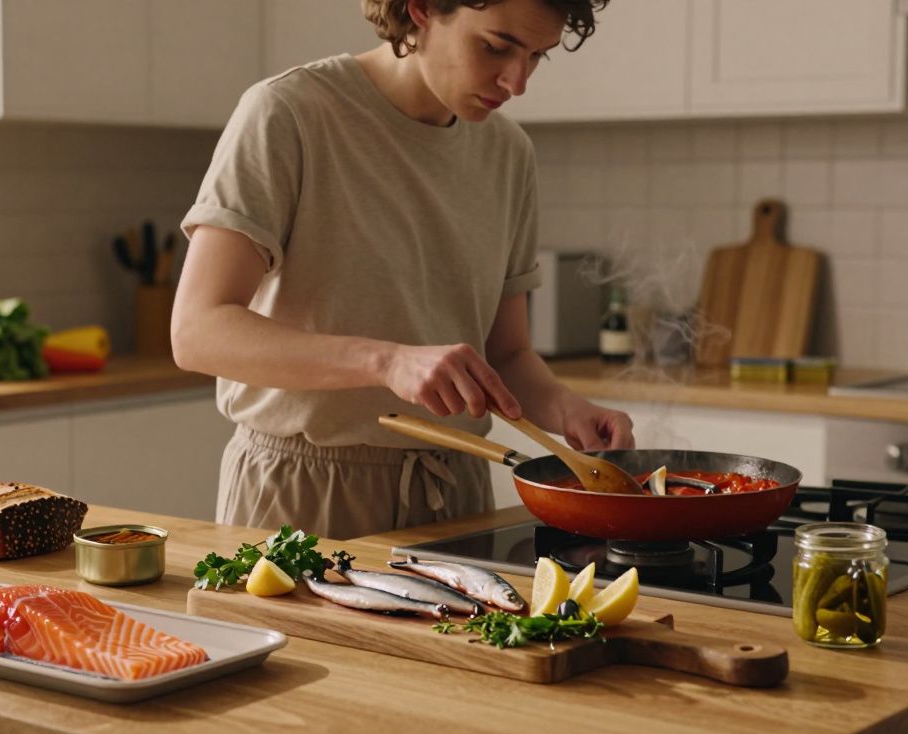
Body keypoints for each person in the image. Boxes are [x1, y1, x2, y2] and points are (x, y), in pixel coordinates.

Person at [173, 0, 634, 540]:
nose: (517, 82)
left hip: (456, 492)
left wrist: (565, 408)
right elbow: (197, 332)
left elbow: (505, 354)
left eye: (537, 57)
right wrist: (386, 361)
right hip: (303, 491)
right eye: (495, 47)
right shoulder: (289, 111)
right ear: (420, 10)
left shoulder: (508, 153)